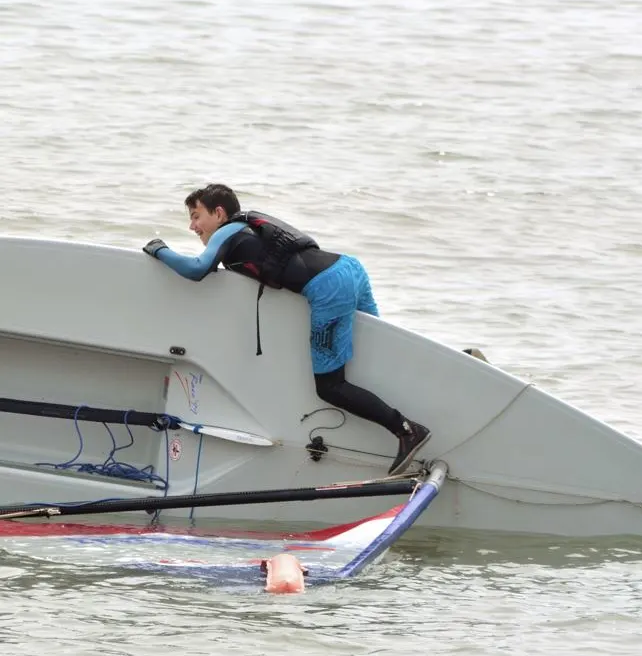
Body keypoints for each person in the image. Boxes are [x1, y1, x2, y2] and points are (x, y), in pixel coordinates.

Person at [142, 183, 430, 475]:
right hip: (348, 267)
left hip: (328, 287)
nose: (192, 226)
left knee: (330, 387)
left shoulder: (228, 231)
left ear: (218, 213)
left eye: (195, 216)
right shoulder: (247, 231)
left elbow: (196, 269)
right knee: (380, 350)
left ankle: (406, 430)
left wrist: (158, 250)